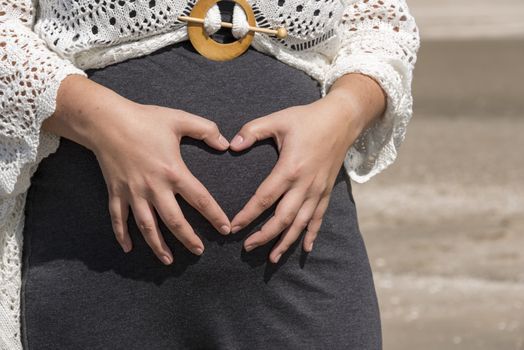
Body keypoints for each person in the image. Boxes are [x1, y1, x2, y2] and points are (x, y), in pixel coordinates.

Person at [0, 0, 420, 348]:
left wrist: (343, 113)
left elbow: (380, 26)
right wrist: (103, 121)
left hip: (302, 262)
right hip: (97, 265)